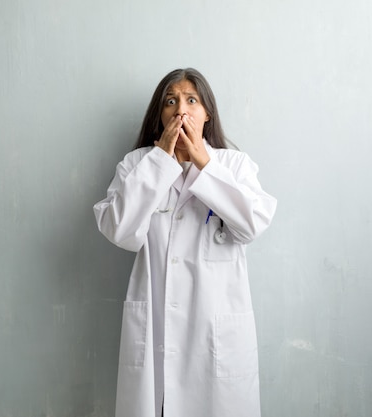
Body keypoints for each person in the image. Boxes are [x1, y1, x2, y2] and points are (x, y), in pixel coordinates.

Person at [93, 68, 277, 417]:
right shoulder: (137, 165)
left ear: (207, 114)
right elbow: (119, 229)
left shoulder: (234, 166)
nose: (181, 110)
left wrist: (204, 164)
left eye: (191, 100)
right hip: (156, 333)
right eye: (171, 101)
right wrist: (160, 161)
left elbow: (251, 224)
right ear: (159, 116)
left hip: (214, 335)